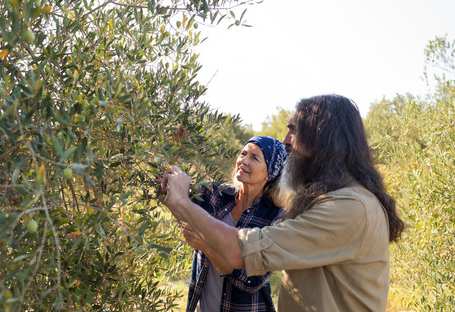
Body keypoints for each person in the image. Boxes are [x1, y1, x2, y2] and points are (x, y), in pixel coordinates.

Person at [159, 95, 405, 312]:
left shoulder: (349, 209)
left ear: (324, 141)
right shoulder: (320, 198)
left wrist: (181, 203)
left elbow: (239, 255)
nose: (286, 140)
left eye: (295, 131)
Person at [180, 136, 288, 312]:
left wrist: (206, 246)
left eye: (254, 157)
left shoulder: (276, 218)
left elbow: (250, 281)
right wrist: (173, 148)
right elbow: (175, 193)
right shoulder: (217, 195)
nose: (244, 161)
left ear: (270, 173)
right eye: (243, 154)